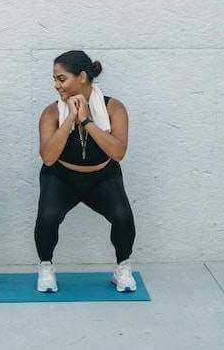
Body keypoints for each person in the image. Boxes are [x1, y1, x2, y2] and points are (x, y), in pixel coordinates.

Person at [34, 50, 136, 292]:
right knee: (47, 218)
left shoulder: (114, 108)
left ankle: (122, 267)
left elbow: (118, 153)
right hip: (61, 175)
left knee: (123, 217)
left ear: (81, 77)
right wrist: (69, 118)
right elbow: (48, 158)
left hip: (102, 174)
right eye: (54, 79)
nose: (56, 85)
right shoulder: (51, 113)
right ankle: (46, 267)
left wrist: (87, 120)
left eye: (61, 79)